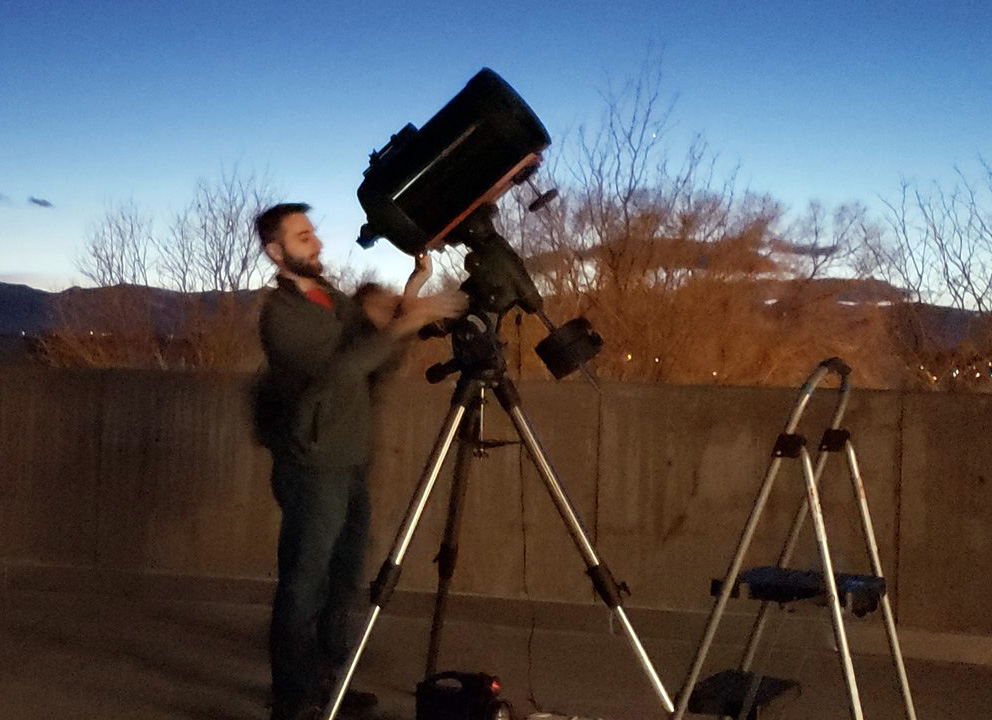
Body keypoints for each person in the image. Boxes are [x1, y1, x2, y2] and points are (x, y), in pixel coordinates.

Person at [253, 203, 465, 720]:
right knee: (305, 583)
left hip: (351, 460)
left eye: (314, 234)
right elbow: (337, 373)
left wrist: (411, 299)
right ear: (276, 252)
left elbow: (377, 357)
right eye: (304, 238)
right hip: (312, 466)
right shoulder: (280, 316)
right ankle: (291, 697)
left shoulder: (335, 302)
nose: (318, 243)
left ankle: (332, 681)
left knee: (346, 578)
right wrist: (406, 322)